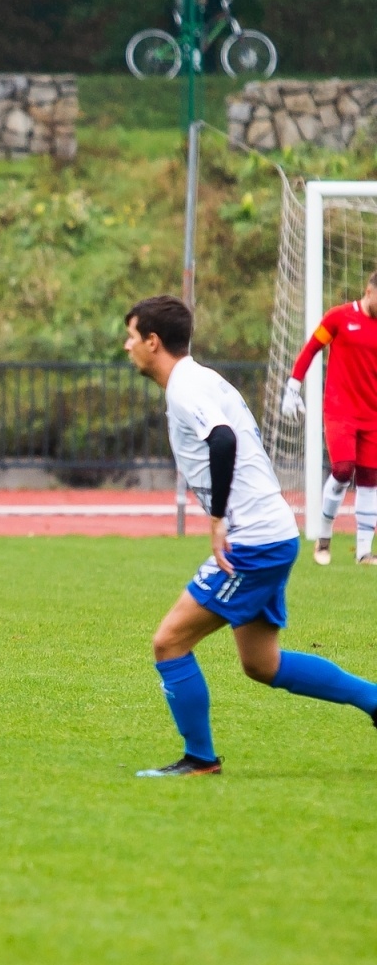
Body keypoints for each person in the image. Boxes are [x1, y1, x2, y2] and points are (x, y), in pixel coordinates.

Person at [128, 295, 377, 777]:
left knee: (169, 642)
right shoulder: (200, 379)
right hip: (272, 532)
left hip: (253, 540)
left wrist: (218, 517)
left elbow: (222, 439)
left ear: (153, 342)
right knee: (262, 664)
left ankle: (199, 759)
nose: (127, 346)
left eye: (132, 337)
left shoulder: (185, 387)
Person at [280, 270, 377, 565]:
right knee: (343, 469)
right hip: (340, 409)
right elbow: (311, 349)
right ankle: (324, 537)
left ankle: (363, 552)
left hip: (372, 414)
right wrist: (293, 387)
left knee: (370, 480)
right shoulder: (339, 317)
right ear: (369, 290)